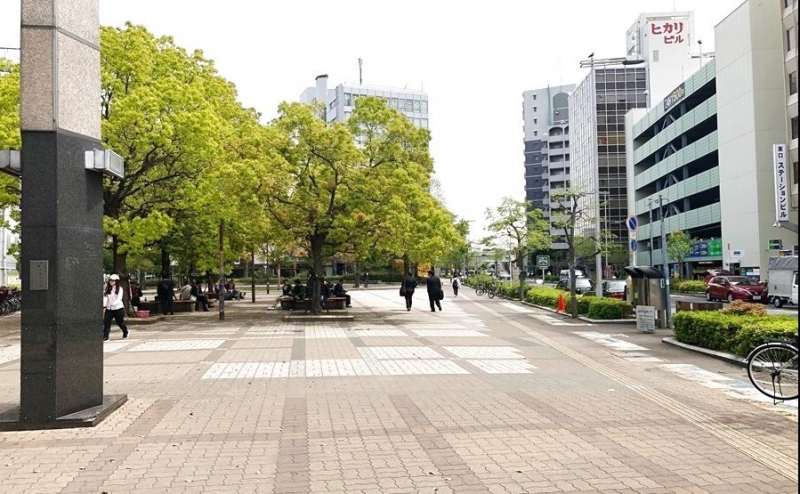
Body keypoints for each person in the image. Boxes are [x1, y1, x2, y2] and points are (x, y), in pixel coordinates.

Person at [103, 274, 128, 340]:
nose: (111, 282)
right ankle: (105, 336)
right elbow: (105, 297)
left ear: (116, 281)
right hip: (109, 309)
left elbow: (119, 299)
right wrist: (104, 305)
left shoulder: (120, 289)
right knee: (106, 322)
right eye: (110, 280)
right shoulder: (107, 288)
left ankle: (125, 332)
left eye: (113, 280)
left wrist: (113, 304)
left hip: (118, 308)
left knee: (119, 322)